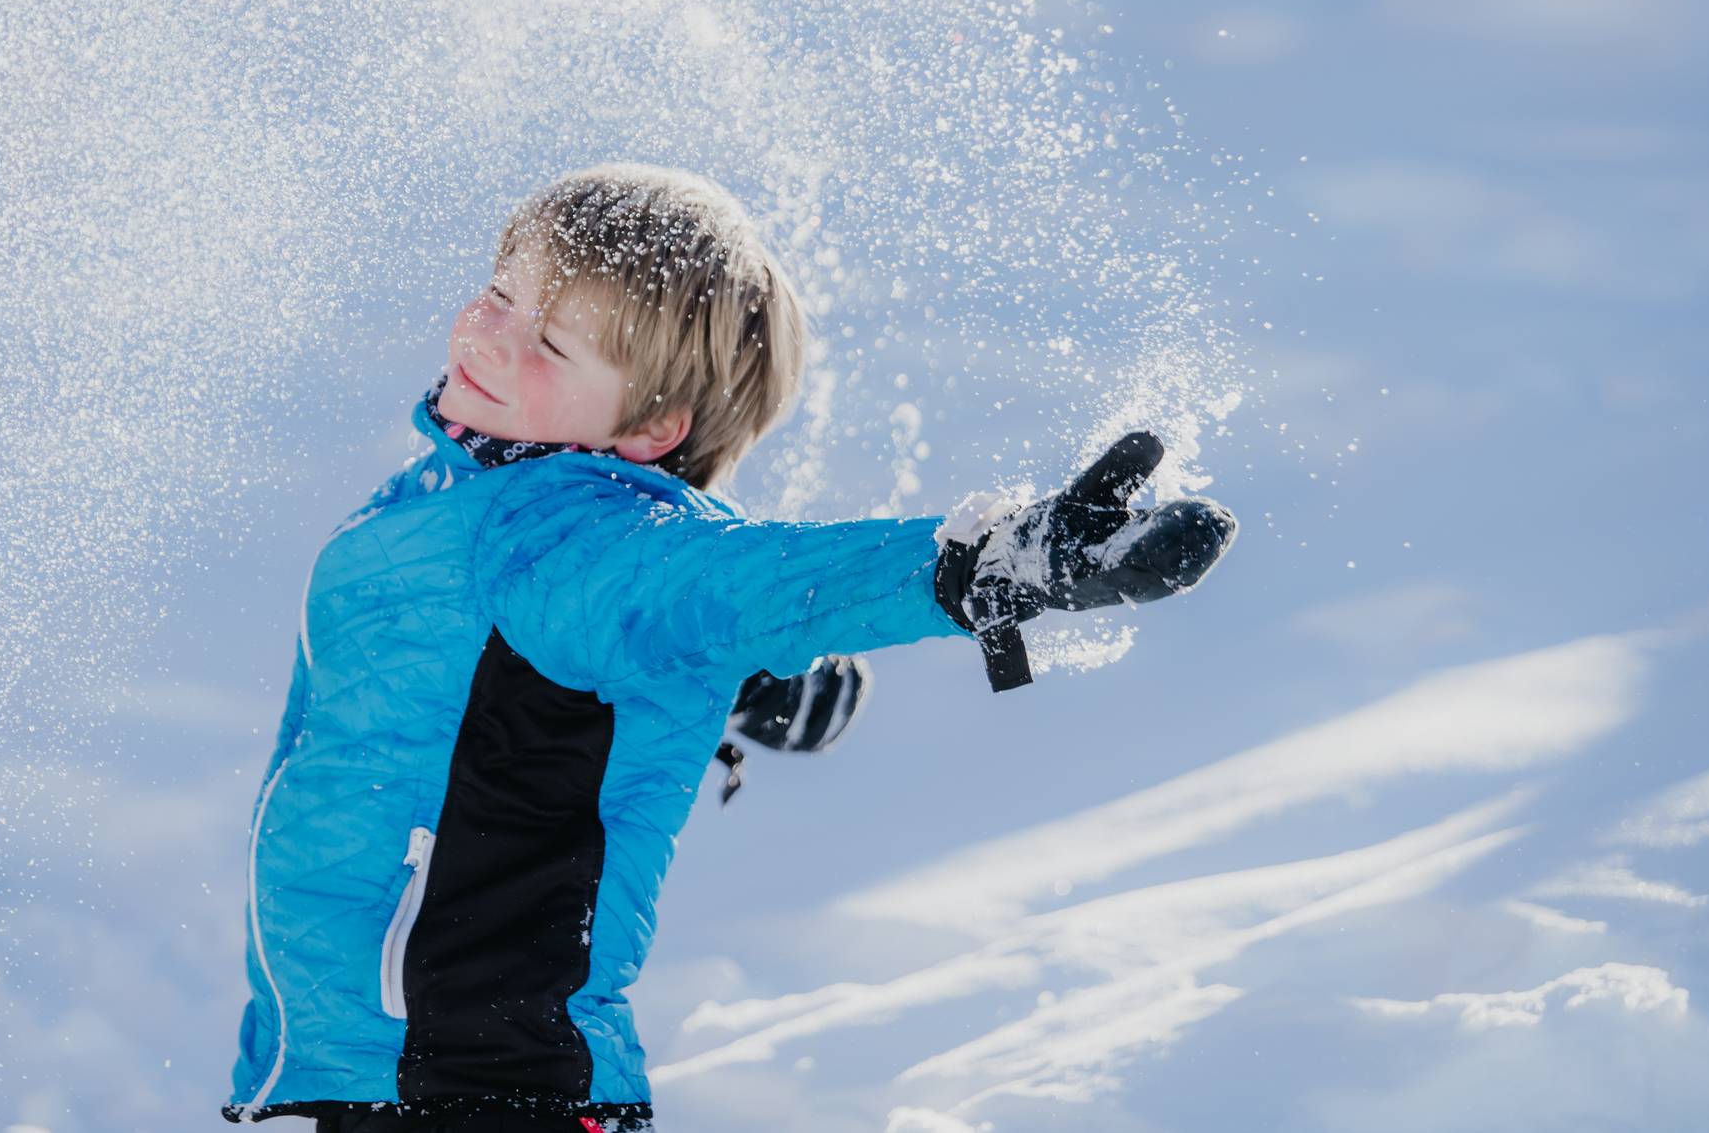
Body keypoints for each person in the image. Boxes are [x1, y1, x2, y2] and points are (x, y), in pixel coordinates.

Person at [223, 164, 1237, 1131]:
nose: (490, 335)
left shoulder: (566, 534)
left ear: (652, 427)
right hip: (399, 1063)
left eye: (552, 342)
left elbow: (724, 579)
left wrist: (986, 563)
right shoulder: (456, 498)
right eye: (499, 292)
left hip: (482, 1080)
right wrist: (749, 675)